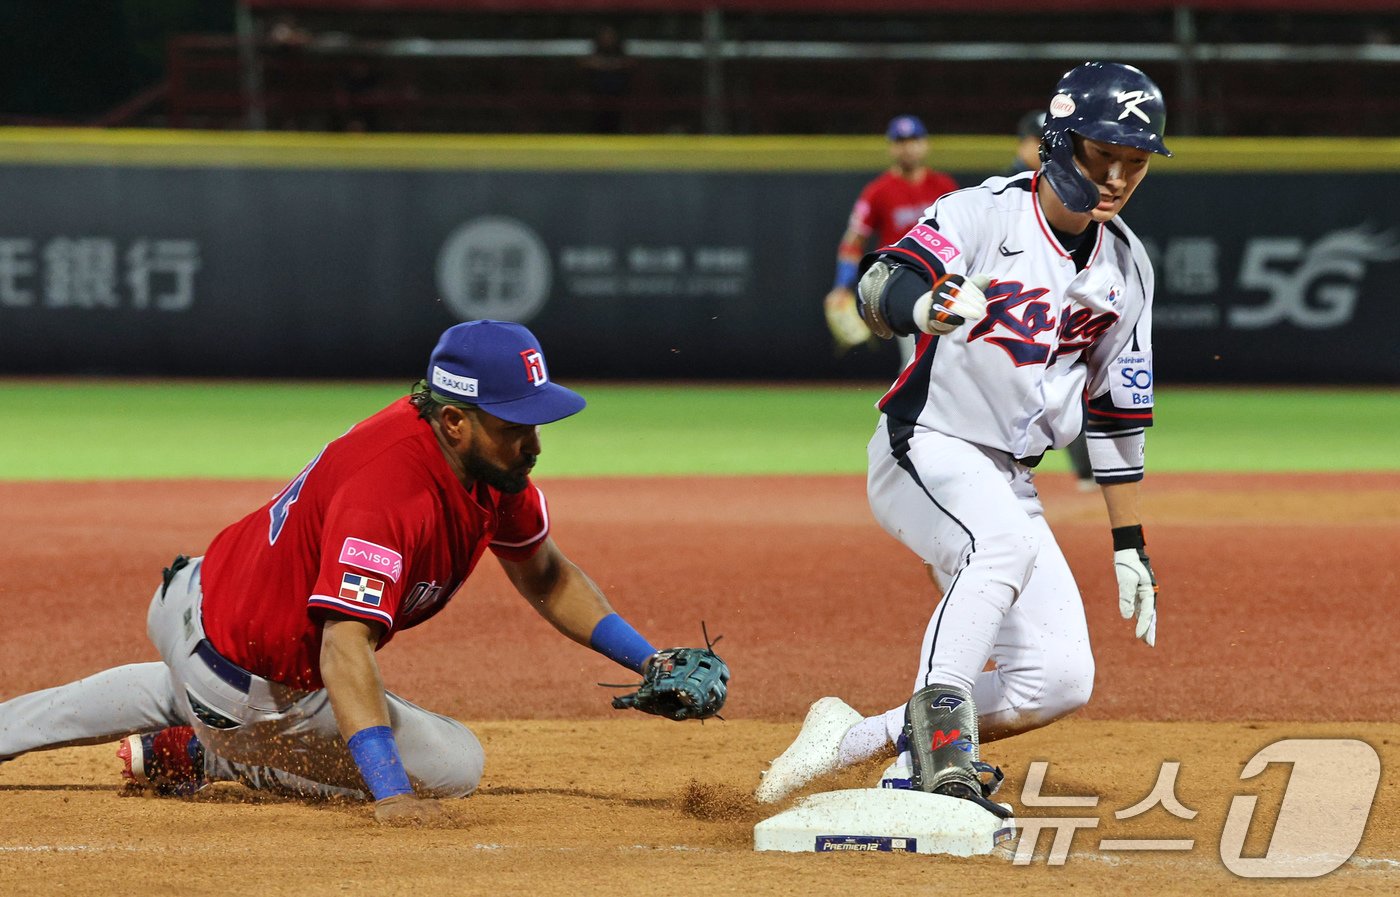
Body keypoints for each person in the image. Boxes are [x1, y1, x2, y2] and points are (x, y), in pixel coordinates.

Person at [0, 320, 723, 825]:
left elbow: (546, 575)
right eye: (514, 424)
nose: (532, 442)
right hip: (251, 681)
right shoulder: (391, 492)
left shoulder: (485, 467)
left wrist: (649, 655)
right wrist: (389, 794)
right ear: (454, 421)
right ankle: (213, 756)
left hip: (191, 601)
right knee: (455, 766)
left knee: (185, 686)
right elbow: (342, 645)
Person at [757, 62, 1168, 811]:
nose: (1116, 177)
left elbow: (1115, 412)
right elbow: (882, 283)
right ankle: (940, 759)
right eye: (1101, 156)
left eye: (1133, 163)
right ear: (1056, 141)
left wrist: (1129, 541)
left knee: (1058, 677)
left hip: (1009, 473)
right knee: (999, 547)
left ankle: (856, 740)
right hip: (927, 443)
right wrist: (926, 306)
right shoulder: (984, 213)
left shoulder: (1128, 268)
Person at [824, 115, 959, 366]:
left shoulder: (943, 186)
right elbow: (852, 242)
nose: (908, 147)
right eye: (900, 141)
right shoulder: (877, 192)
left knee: (951, 361)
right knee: (915, 361)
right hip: (902, 284)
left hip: (943, 280)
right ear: (891, 147)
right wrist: (842, 285)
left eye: (913, 140)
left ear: (925, 144)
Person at [1008, 108, 1095, 489]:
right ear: (1025, 144)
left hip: (1056, 303)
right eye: (1041, 141)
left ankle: (1088, 470)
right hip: (1013, 305)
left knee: (1067, 383)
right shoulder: (1006, 188)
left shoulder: (1072, 186)